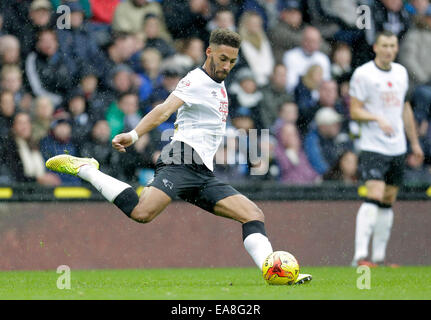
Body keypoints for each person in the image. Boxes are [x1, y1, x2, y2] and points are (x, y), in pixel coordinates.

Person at [45, 28, 311, 284]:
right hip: (180, 160)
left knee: (253, 214)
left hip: (202, 173)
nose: (227, 66)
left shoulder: (219, 87)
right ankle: (87, 169)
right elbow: (164, 110)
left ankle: (273, 272)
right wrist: (134, 135)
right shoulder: (195, 80)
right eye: (222, 59)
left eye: (232, 61)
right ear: (208, 52)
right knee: (141, 212)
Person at [349, 31, 424, 267]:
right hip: (373, 146)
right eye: (385, 45)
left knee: (388, 199)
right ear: (375, 47)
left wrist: (414, 143)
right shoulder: (363, 74)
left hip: (397, 146)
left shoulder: (401, 72)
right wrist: (376, 118)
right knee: (374, 194)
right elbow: (354, 110)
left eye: (393, 45)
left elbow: (405, 109)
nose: (389, 50)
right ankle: (360, 256)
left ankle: (379, 258)